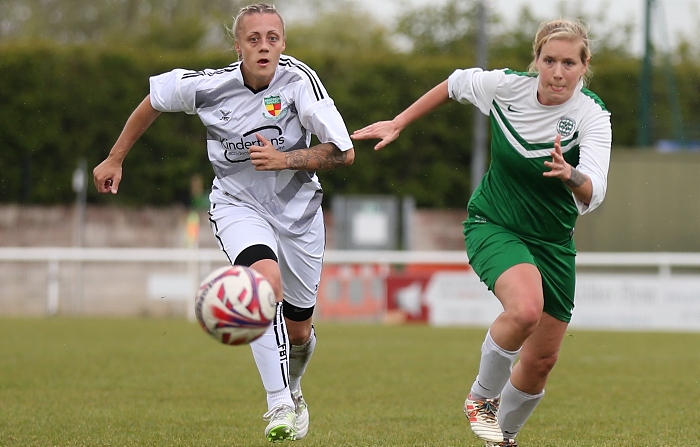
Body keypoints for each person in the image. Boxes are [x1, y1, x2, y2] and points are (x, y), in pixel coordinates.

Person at [93, 3, 354, 442]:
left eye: (273, 38)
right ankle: (277, 405)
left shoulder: (300, 82)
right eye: (254, 39)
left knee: (300, 330)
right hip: (238, 206)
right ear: (239, 47)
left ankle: (292, 387)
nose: (264, 46)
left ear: (283, 43)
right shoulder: (210, 86)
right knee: (262, 285)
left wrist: (285, 159)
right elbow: (154, 100)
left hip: (299, 215)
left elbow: (343, 152)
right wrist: (115, 157)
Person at [351, 19, 611, 447]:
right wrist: (399, 121)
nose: (558, 72)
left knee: (542, 360)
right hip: (495, 224)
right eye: (549, 61)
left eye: (569, 62)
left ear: (584, 67)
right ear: (537, 61)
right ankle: (481, 398)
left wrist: (570, 174)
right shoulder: (506, 87)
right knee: (526, 310)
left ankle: (500, 438)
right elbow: (454, 83)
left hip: (553, 242)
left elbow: (595, 191)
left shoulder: (592, 115)